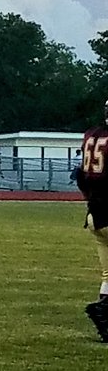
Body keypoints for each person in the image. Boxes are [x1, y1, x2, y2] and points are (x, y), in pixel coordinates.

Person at [76, 99, 108, 342]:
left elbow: (81, 175)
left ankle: (105, 322)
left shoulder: (91, 135)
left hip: (94, 215)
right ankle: (103, 312)